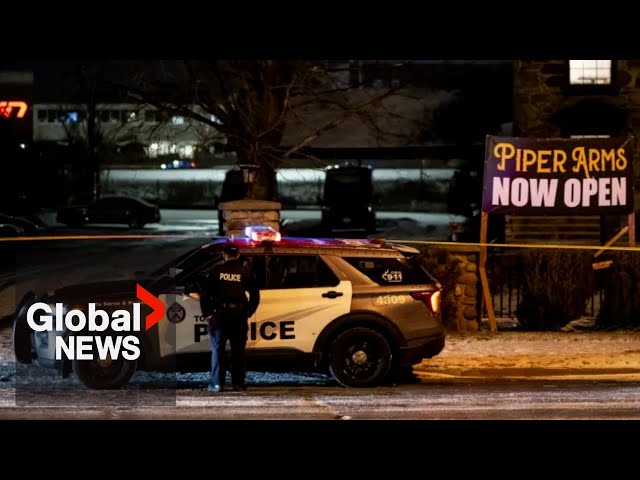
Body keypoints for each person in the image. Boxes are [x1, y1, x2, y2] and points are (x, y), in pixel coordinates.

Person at [199, 243, 260, 393]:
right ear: (238, 255)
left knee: (218, 349)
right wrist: (248, 312)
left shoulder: (216, 271)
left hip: (220, 314)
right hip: (238, 315)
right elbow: (255, 295)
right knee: (238, 350)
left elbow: (205, 294)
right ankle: (238, 384)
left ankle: (217, 384)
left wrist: (207, 313)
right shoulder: (245, 272)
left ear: (224, 255)